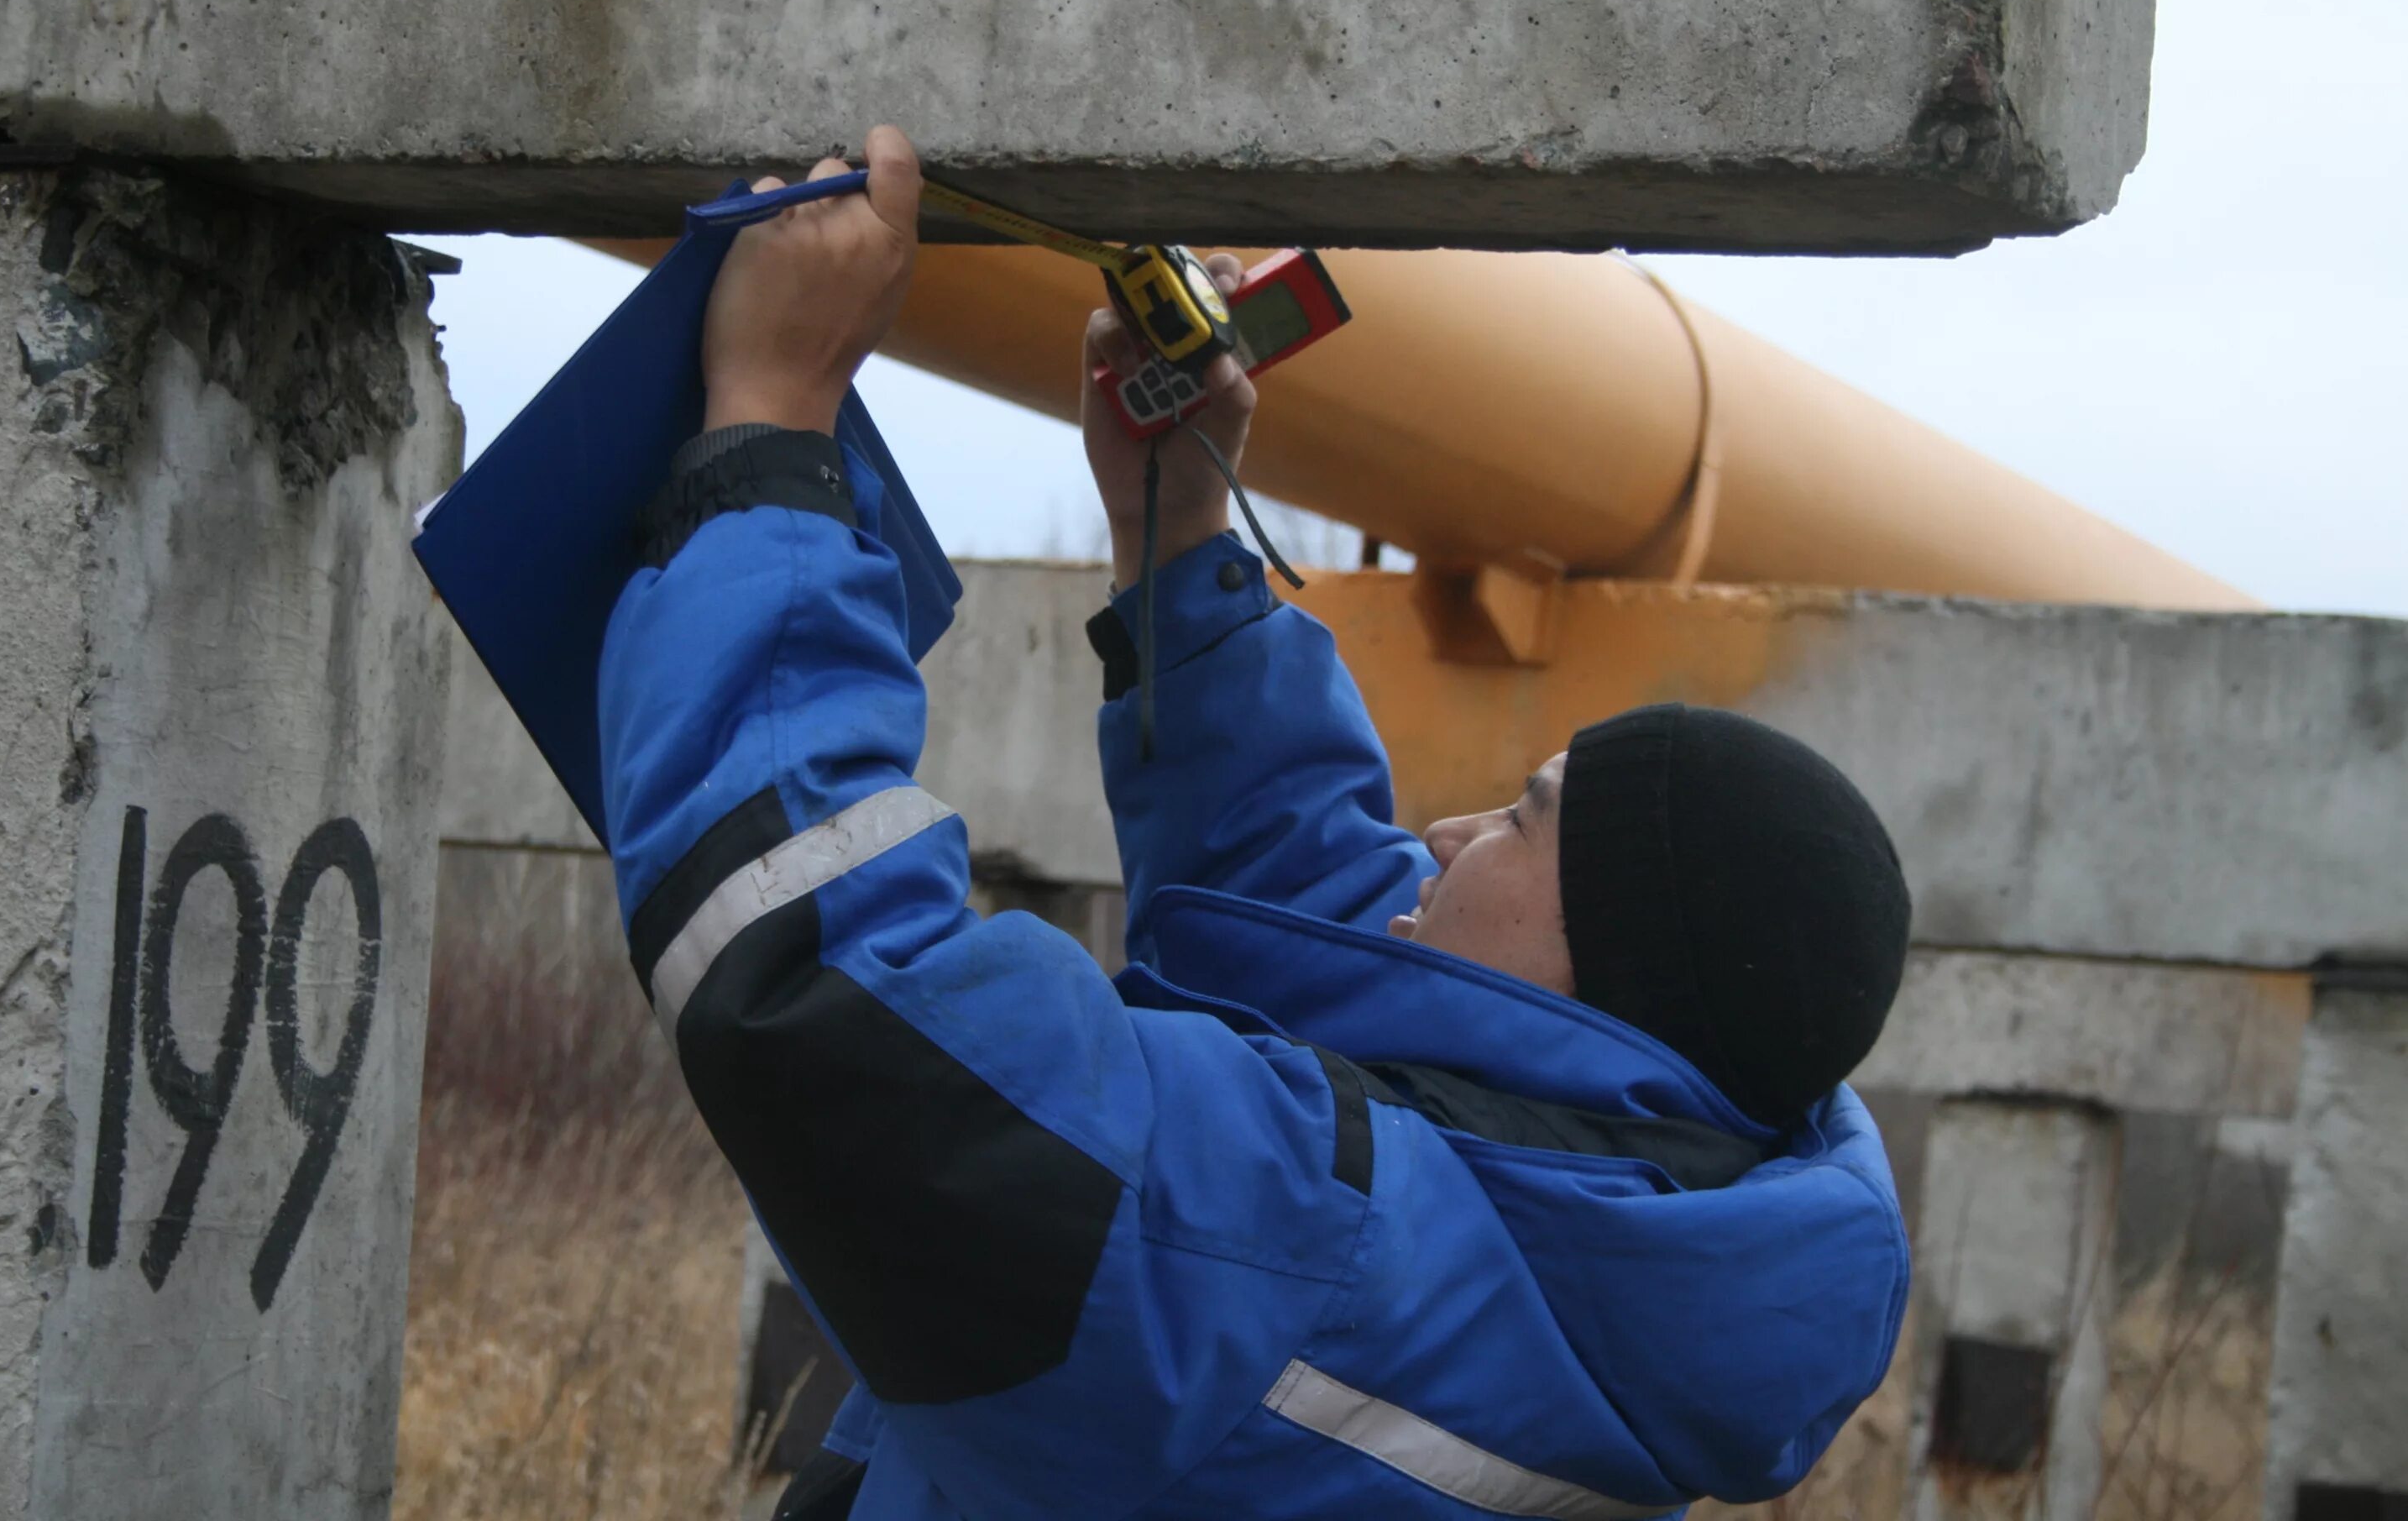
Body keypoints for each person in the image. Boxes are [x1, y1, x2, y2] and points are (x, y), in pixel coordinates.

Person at [599, 124, 1912, 1521]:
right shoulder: (1641, 1227)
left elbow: (831, 984)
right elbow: (1315, 929)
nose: (1452, 835)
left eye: (1527, 825)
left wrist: (772, 430)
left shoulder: (1290, 1239)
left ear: (1612, 992)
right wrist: (1182, 538)